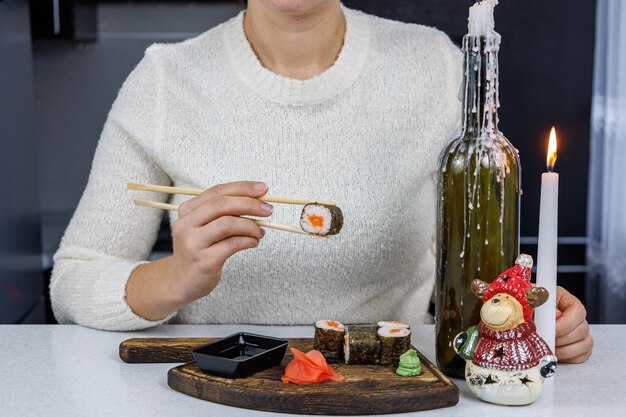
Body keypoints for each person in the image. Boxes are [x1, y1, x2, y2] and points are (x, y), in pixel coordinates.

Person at [50, 0, 592, 363]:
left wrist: (530, 311)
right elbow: (73, 281)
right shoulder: (166, 79)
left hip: (389, 388)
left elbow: (481, 275)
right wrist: (173, 278)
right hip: (215, 389)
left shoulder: (435, 66)